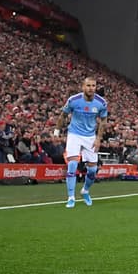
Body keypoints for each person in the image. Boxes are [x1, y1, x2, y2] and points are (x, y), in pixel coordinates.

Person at [59, 76, 108, 208]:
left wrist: (98, 139)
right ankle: (71, 197)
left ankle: (85, 191)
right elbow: (63, 115)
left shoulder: (101, 103)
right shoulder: (73, 100)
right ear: (83, 87)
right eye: (88, 85)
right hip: (74, 134)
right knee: (72, 165)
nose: (91, 88)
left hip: (90, 137)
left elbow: (103, 121)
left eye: (93, 86)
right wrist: (57, 131)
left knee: (92, 170)